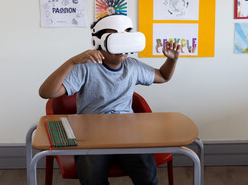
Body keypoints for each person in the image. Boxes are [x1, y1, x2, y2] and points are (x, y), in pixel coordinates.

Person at [39, 15, 181, 185]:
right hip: (92, 134)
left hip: (128, 132)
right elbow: (46, 92)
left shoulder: (132, 66)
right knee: (92, 177)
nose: (121, 47)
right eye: (115, 39)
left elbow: (163, 76)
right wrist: (72, 62)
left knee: (146, 173)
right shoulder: (86, 67)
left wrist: (171, 60)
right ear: (99, 42)